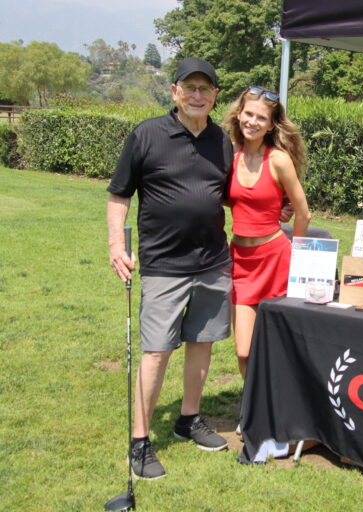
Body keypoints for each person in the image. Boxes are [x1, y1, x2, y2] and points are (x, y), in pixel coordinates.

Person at [107, 57, 233, 480]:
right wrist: (114, 244)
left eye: (206, 89)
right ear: (175, 91)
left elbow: (231, 194)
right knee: (157, 351)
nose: (198, 95)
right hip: (164, 265)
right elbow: (119, 194)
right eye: (190, 88)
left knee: (203, 342)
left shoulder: (222, 141)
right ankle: (140, 441)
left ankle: (188, 419)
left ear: (215, 95)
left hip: (213, 261)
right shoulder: (147, 134)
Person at [221, 86, 311, 380]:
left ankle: (280, 407)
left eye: (261, 117)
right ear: (238, 114)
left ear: (271, 124)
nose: (252, 121)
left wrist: (297, 260)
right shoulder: (228, 153)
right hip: (241, 262)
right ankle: (251, 413)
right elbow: (225, 195)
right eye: (248, 114)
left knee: (280, 346)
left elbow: (303, 212)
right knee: (244, 351)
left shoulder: (279, 160)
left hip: (276, 261)